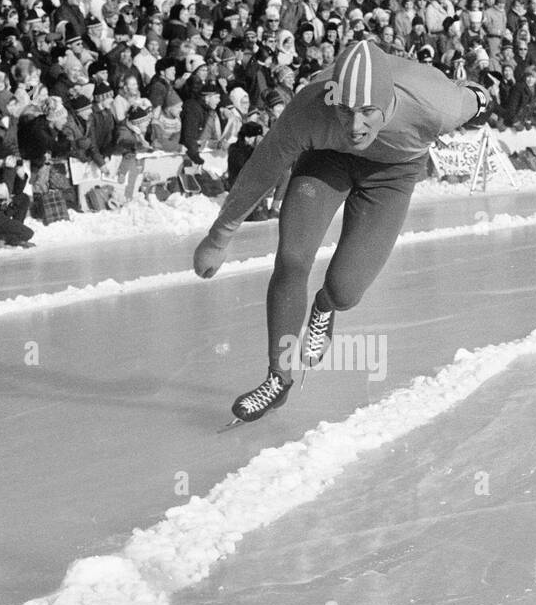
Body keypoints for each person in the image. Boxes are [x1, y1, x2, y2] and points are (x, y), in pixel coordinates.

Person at [193, 40, 487, 421]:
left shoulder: (436, 105)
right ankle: (278, 378)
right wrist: (218, 237)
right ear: (333, 96)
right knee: (292, 258)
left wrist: (480, 97)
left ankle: (326, 305)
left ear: (388, 103)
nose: (355, 126)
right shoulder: (311, 105)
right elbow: (262, 170)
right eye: (345, 111)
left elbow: (474, 95)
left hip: (391, 176)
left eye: (368, 112)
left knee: (345, 290)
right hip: (327, 160)